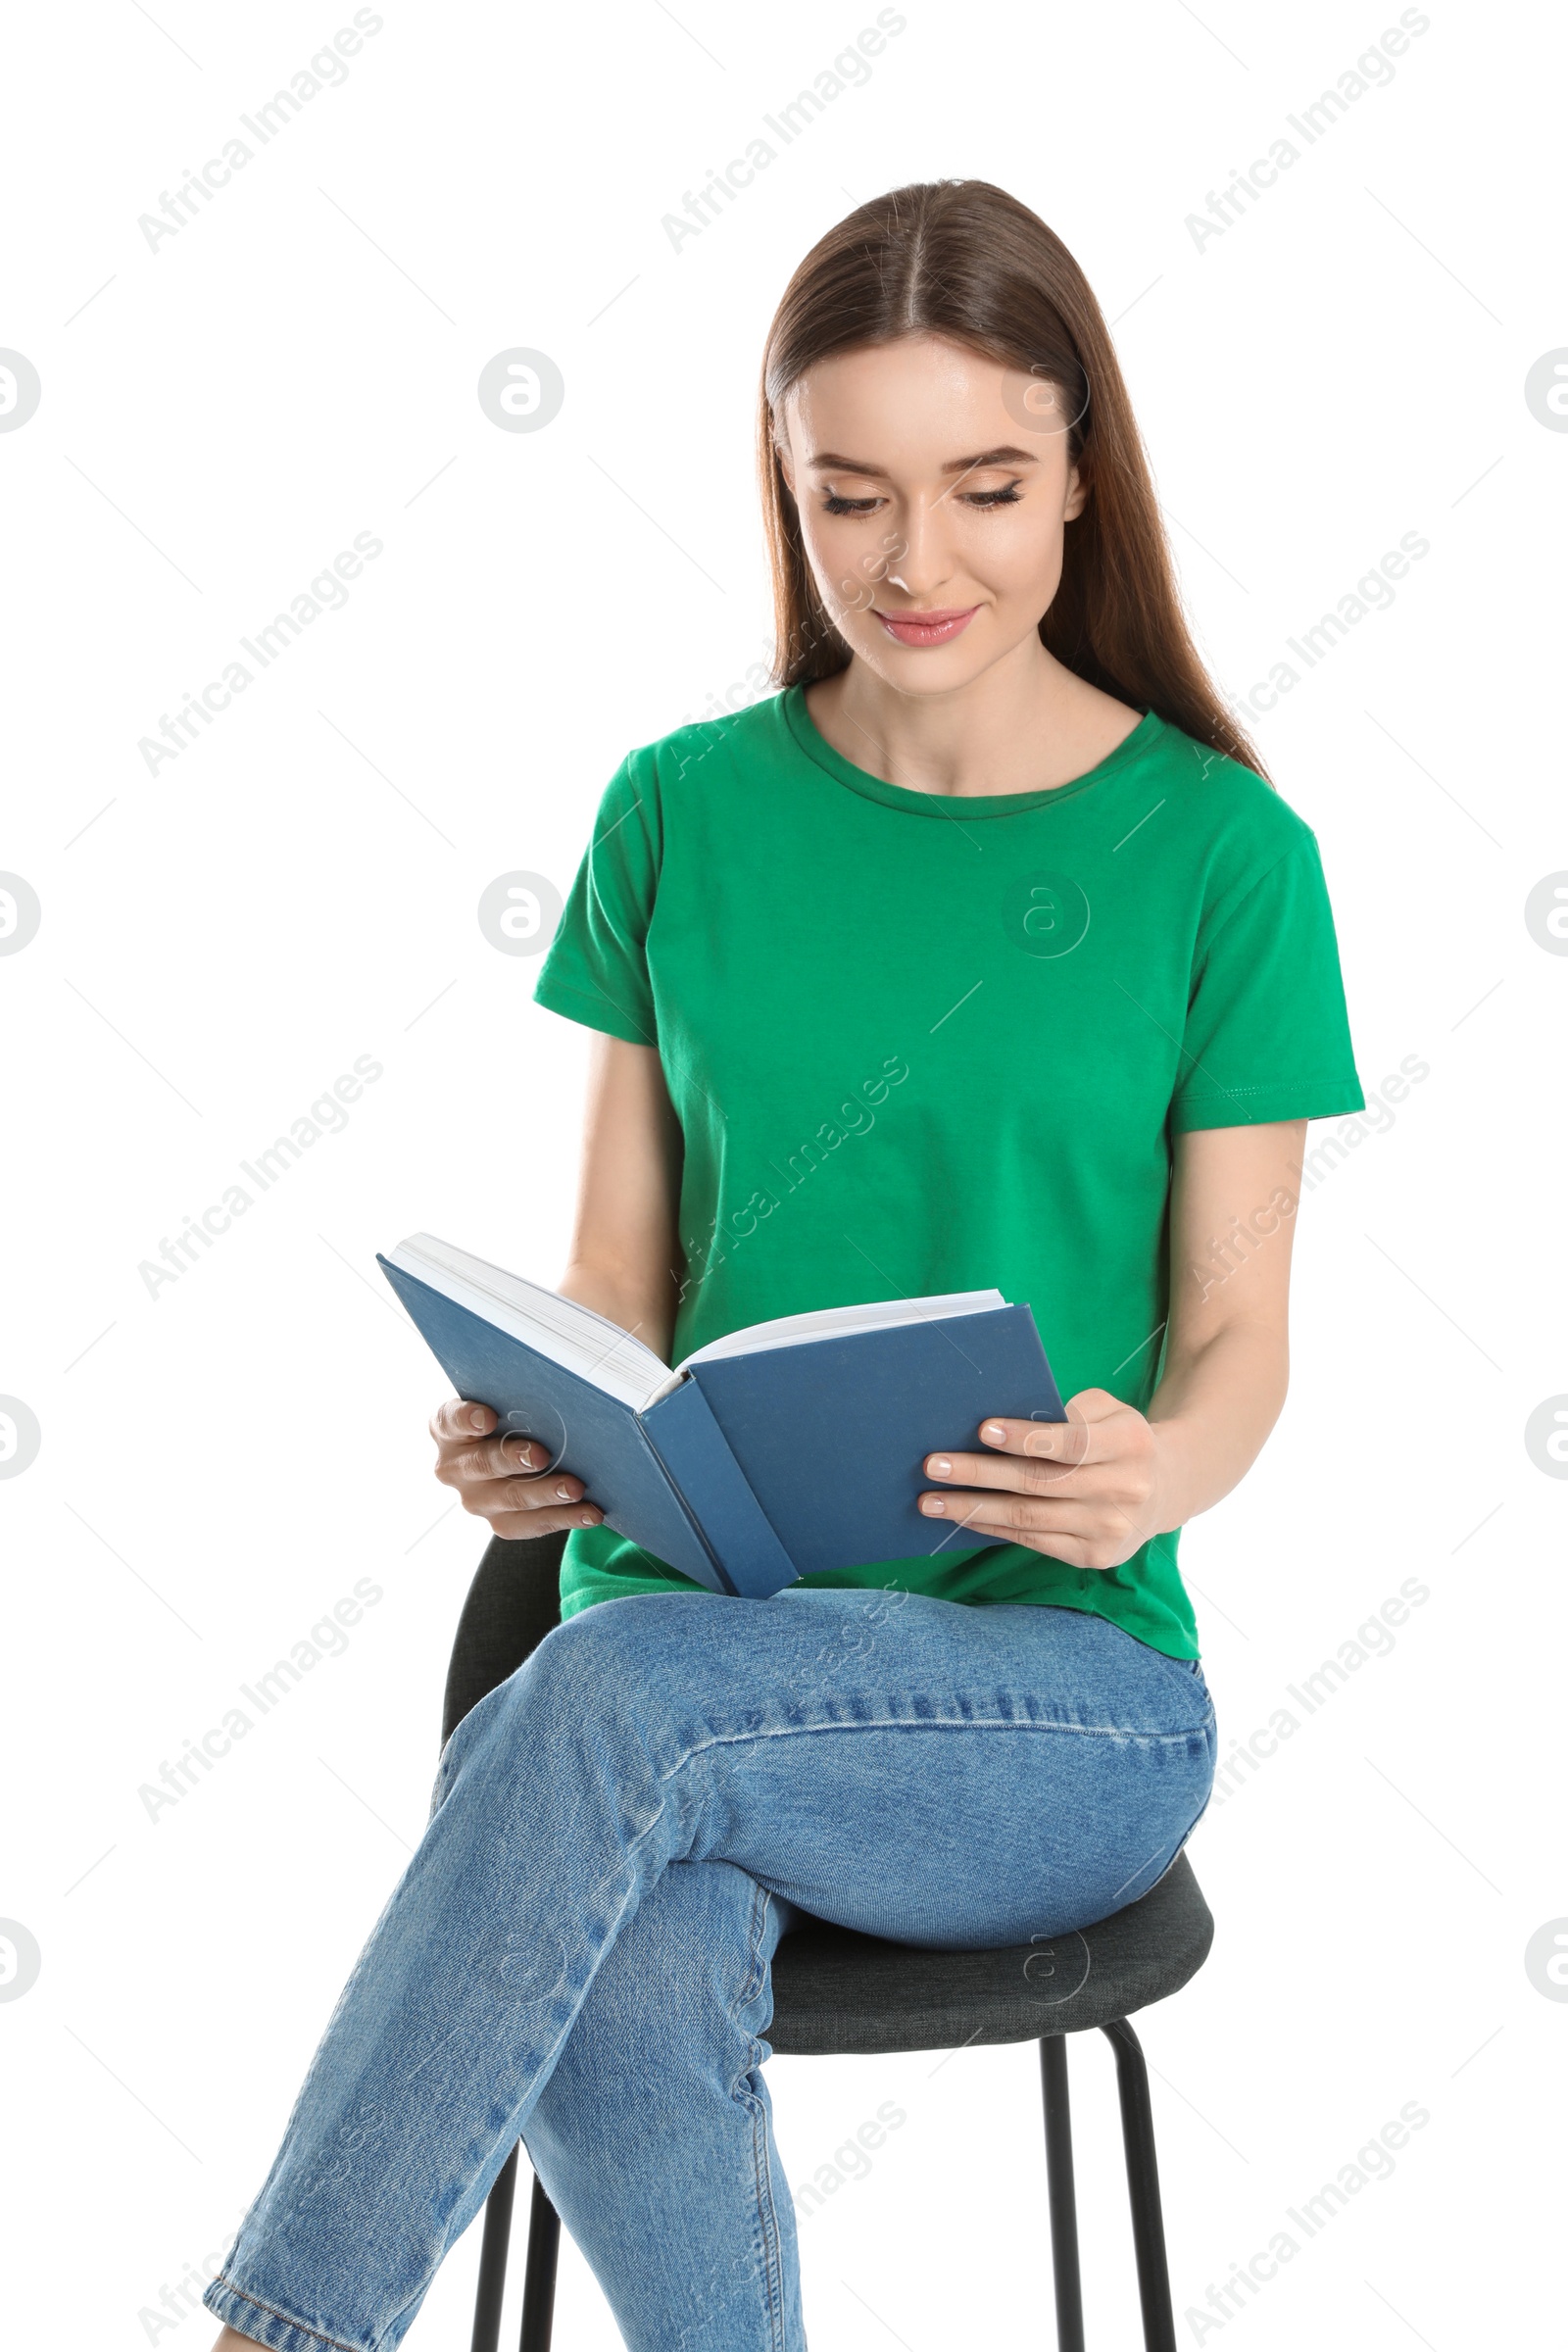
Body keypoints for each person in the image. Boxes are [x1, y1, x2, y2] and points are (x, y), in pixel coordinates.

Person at [204, 177, 1364, 2352]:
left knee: (599, 1711)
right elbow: (616, 1291)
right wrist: (530, 1428)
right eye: (848, 496)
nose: (913, 563)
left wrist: (1159, 1466)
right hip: (678, 1640)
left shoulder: (1221, 857)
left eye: (982, 488)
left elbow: (1237, 1344)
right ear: (781, 485)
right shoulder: (674, 814)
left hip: (1052, 1699)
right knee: (627, 1896)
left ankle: (273, 2331)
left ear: (1079, 477)